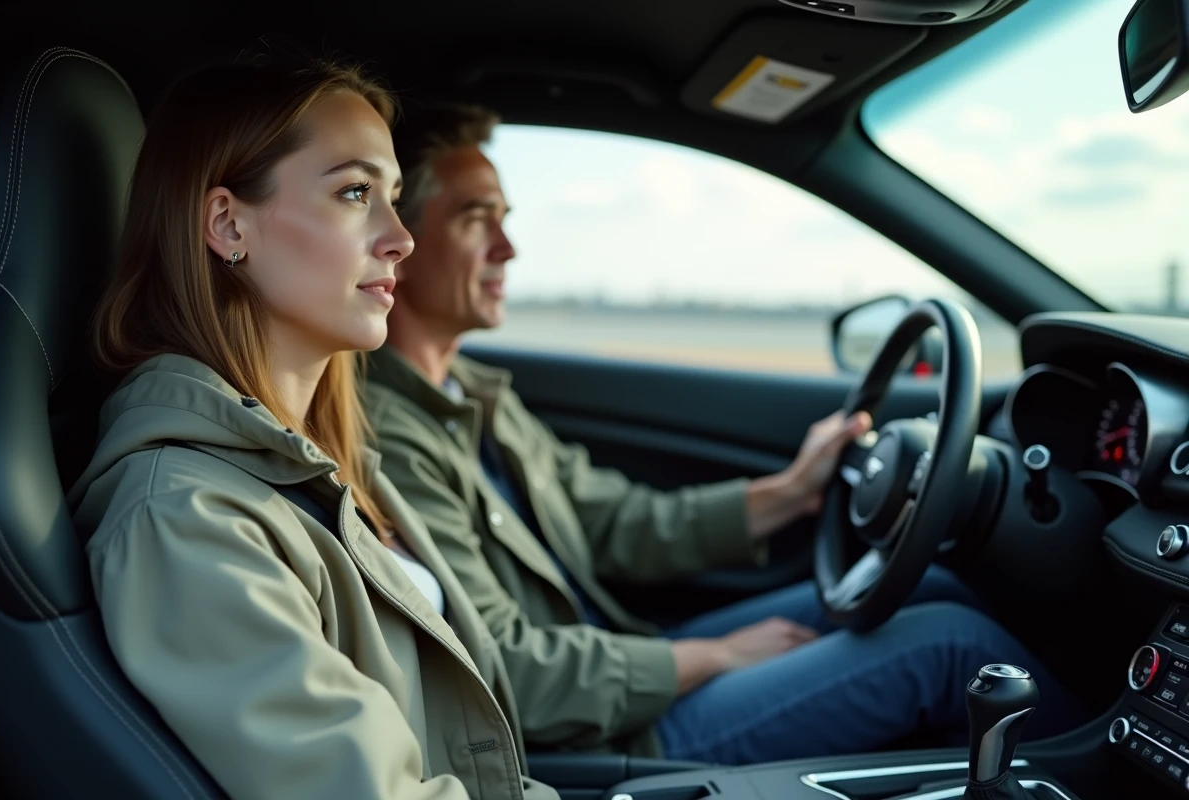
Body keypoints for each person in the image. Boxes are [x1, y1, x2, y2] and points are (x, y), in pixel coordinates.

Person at [362, 104, 1083, 764]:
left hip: (627, 662)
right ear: (401, 243)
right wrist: (710, 656)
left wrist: (788, 492)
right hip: (608, 731)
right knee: (952, 648)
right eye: (474, 219)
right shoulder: (392, 434)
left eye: (505, 218)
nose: (508, 249)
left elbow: (617, 521)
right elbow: (504, 668)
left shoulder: (475, 393)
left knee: (932, 582)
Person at [66, 61, 559, 800]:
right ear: (229, 224)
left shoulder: (319, 457)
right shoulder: (185, 517)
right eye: (355, 193)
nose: (400, 239)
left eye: (392, 198)